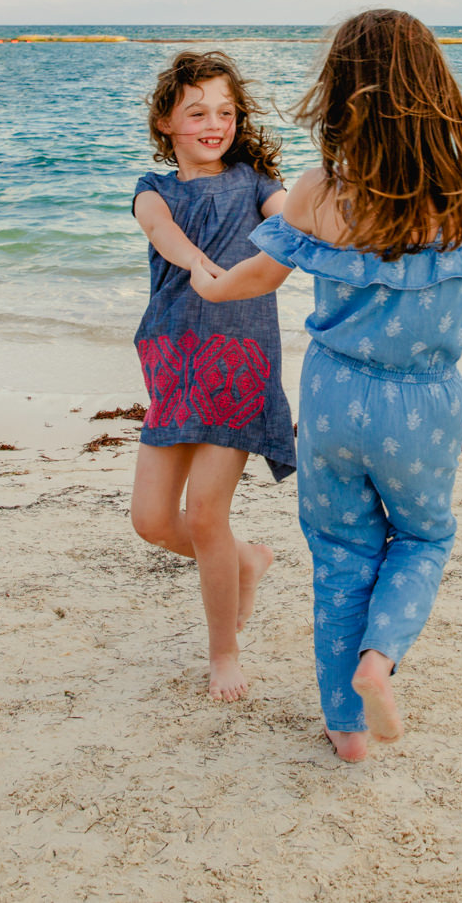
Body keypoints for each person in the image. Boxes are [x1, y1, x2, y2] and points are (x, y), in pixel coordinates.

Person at [191, 9, 462, 761]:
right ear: (438, 92)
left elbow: (260, 273)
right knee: (421, 535)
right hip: (423, 404)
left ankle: (345, 729)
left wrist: (211, 289)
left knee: (342, 550)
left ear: (342, 93)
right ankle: (380, 658)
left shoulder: (318, 193)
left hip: (333, 397)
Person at [129, 50, 294, 703]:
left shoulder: (256, 183)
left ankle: (223, 652)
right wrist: (198, 262)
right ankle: (244, 559)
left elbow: (293, 215)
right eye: (196, 111)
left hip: (241, 364)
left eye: (224, 112)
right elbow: (160, 229)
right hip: (173, 360)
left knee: (203, 515)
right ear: (167, 121)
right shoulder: (155, 187)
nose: (213, 123)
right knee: (150, 520)